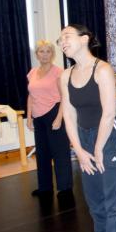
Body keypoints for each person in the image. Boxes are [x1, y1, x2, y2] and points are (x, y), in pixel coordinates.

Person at [58, 24, 116, 232]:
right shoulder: (65, 76)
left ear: (85, 39)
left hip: (111, 134)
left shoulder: (103, 70)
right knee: (96, 202)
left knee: (114, 200)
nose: (62, 42)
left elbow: (109, 112)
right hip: (86, 137)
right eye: (61, 39)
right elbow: (68, 114)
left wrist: (99, 147)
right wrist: (78, 149)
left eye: (66, 36)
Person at [27, 40, 73, 199]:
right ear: (37, 54)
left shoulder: (59, 72)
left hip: (54, 113)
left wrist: (59, 118)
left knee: (60, 152)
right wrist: (29, 117)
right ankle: (44, 187)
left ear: (52, 54)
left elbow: (64, 97)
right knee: (42, 152)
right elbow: (31, 96)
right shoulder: (32, 72)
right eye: (41, 51)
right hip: (38, 116)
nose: (44, 54)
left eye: (48, 51)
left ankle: (65, 188)